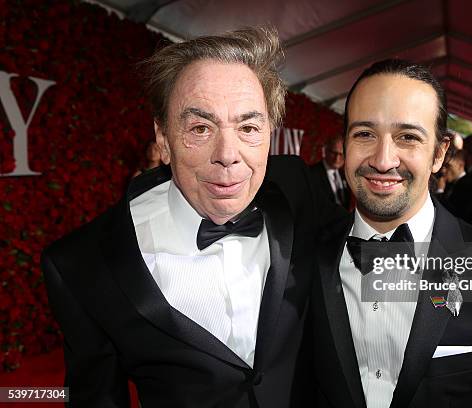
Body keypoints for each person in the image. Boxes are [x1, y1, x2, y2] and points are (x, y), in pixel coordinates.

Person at [41, 28, 341, 407]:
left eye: (248, 128)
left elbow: (365, 261)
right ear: (163, 139)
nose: (228, 154)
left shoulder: (298, 190)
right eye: (200, 128)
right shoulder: (81, 265)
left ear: (269, 134)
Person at [311, 59, 472, 408]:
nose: (383, 159)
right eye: (364, 134)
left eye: (407, 137)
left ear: (439, 154)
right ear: (345, 142)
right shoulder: (304, 255)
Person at [437, 149, 472, 224]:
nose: (443, 170)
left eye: (448, 166)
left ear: (460, 165)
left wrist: (440, 192)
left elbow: (457, 215)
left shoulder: (469, 188)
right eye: (443, 166)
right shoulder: (449, 184)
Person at [310, 135, 351, 209]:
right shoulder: (311, 174)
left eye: (341, 154)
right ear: (325, 151)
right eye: (333, 153)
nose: (337, 158)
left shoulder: (345, 174)